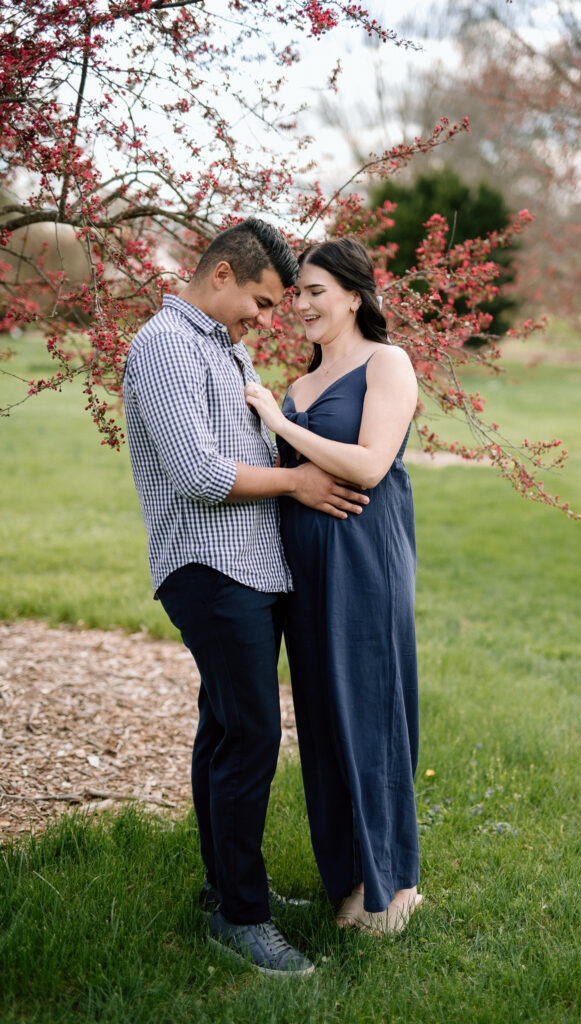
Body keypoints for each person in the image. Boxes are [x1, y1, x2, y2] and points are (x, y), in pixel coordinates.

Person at [123, 218, 369, 977]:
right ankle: (242, 917)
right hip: (208, 569)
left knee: (225, 730)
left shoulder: (224, 348)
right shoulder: (165, 345)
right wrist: (299, 480)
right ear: (222, 275)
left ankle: (228, 885)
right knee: (253, 737)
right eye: (260, 301)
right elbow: (199, 474)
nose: (266, 320)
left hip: (251, 570)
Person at [244, 236, 422, 935]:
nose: (304, 305)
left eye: (317, 290)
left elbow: (371, 466)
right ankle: (347, 873)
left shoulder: (389, 363)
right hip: (304, 570)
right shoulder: (299, 383)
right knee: (322, 720)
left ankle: (393, 885)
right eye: (299, 295)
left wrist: (281, 424)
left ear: (354, 294)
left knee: (370, 713)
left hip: (366, 562)